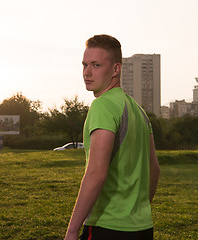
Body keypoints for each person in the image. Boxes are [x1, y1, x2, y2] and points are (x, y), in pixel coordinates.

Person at [64, 34, 160, 240]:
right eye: (84, 65)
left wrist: (72, 231)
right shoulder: (139, 111)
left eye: (96, 65)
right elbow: (154, 170)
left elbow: (97, 173)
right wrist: (136, 211)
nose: (87, 72)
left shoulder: (103, 105)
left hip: (106, 227)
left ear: (116, 69)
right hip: (142, 228)